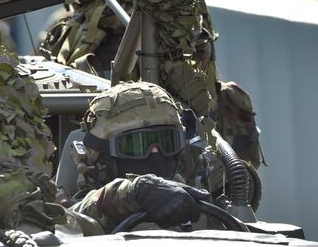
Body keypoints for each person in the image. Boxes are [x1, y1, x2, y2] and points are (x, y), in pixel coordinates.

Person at [68, 82, 214, 232]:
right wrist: (134, 192)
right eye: (136, 145)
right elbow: (66, 222)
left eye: (166, 141)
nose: (155, 152)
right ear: (101, 155)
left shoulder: (194, 201)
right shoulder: (86, 208)